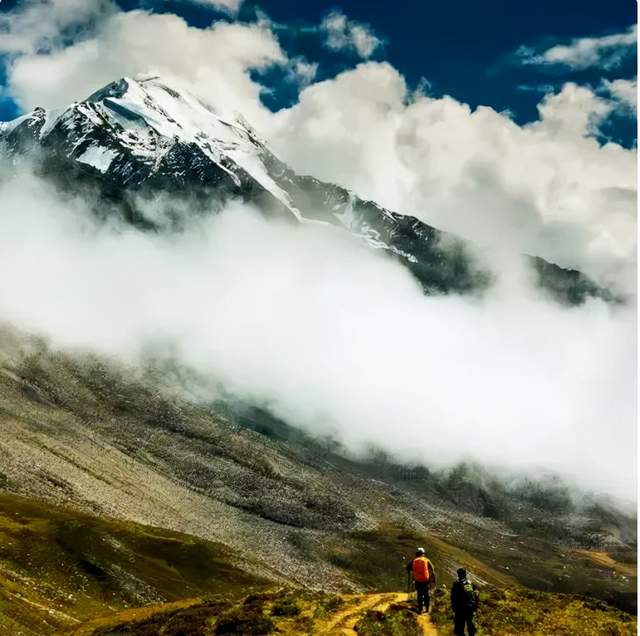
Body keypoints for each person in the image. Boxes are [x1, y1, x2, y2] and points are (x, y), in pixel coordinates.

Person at [450, 567, 479, 636]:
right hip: (471, 608)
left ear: (458, 575)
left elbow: (453, 597)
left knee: (459, 629)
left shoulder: (456, 584)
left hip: (460, 609)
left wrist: (454, 608)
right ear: (465, 574)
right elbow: (476, 595)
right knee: (471, 628)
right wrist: (475, 606)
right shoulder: (471, 584)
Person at [406, 547, 436, 614]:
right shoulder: (426, 560)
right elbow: (432, 568)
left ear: (416, 554)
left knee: (419, 594)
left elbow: (408, 568)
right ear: (423, 554)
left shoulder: (414, 560)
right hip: (426, 580)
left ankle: (420, 610)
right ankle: (427, 609)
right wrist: (431, 577)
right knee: (426, 594)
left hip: (417, 580)